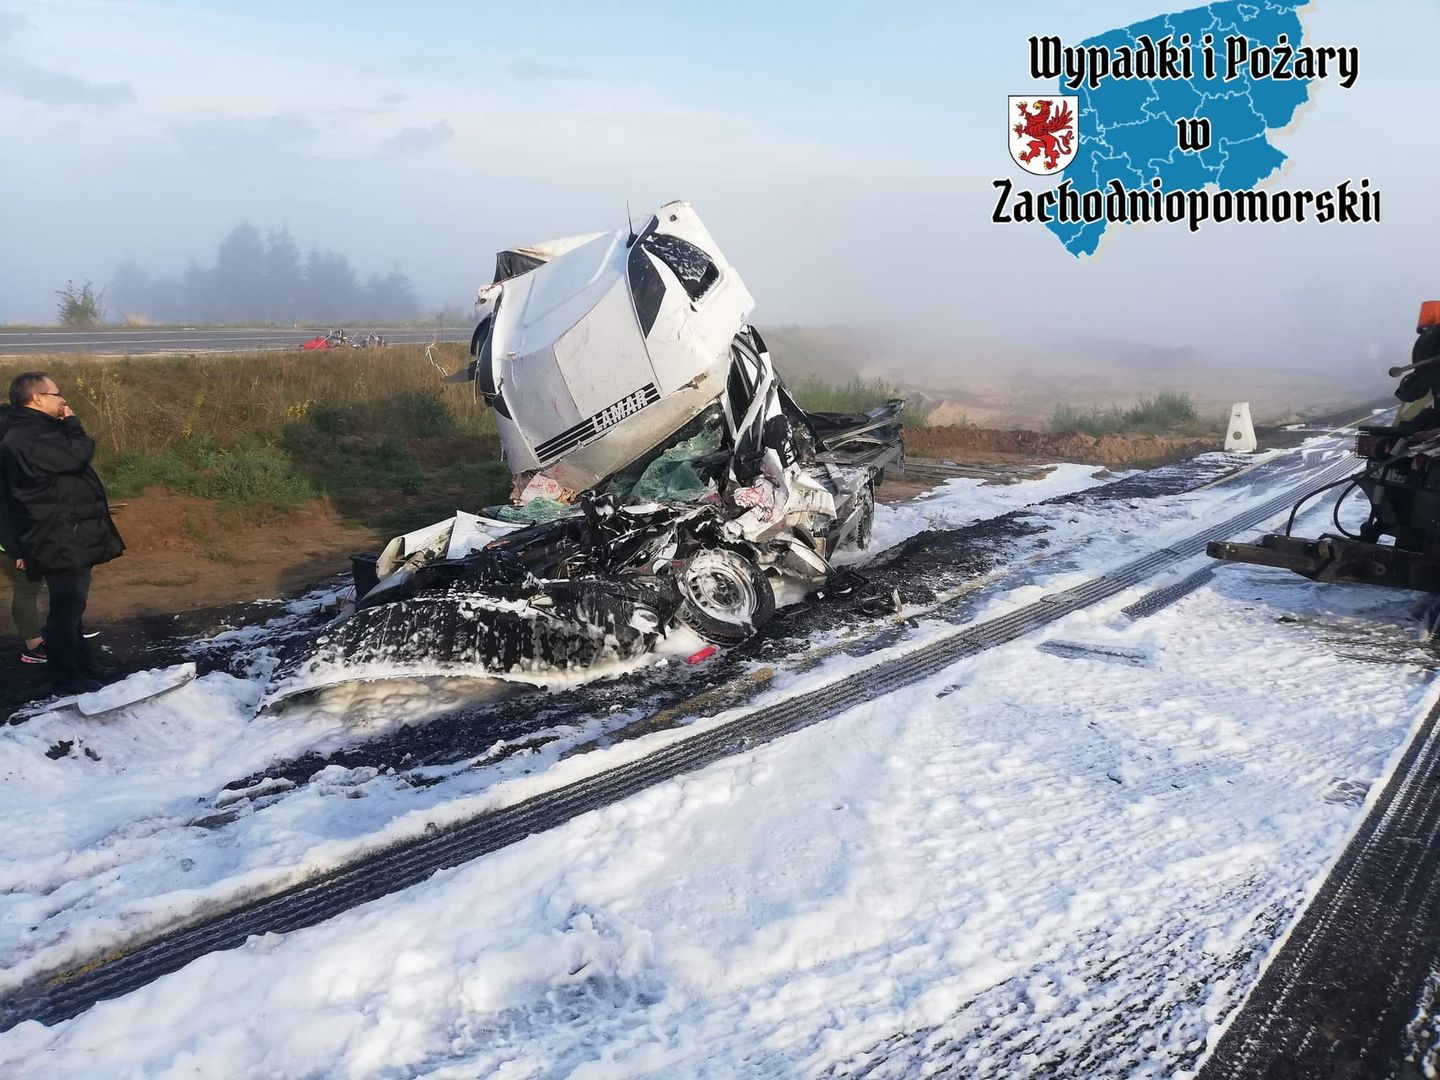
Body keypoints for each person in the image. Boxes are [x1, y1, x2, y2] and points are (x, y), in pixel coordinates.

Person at [0, 373, 124, 693]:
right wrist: (72, 423)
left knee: (72, 608)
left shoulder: (34, 430)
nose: (64, 401)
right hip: (55, 536)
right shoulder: (26, 435)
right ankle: (68, 677)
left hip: (64, 532)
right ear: (37, 399)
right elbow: (76, 455)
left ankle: (82, 666)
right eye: (57, 395)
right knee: (66, 609)